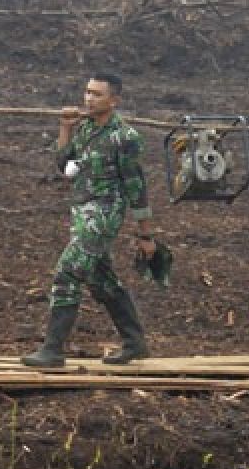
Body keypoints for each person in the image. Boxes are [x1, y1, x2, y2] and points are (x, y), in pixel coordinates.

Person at [23, 72, 158, 368]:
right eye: (87, 92)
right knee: (101, 280)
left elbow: (137, 185)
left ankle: (52, 350)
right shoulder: (84, 128)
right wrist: (65, 129)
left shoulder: (125, 137)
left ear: (114, 100)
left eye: (97, 94)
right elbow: (64, 165)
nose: (89, 98)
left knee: (68, 272)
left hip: (105, 214)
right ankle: (135, 343)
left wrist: (145, 233)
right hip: (82, 212)